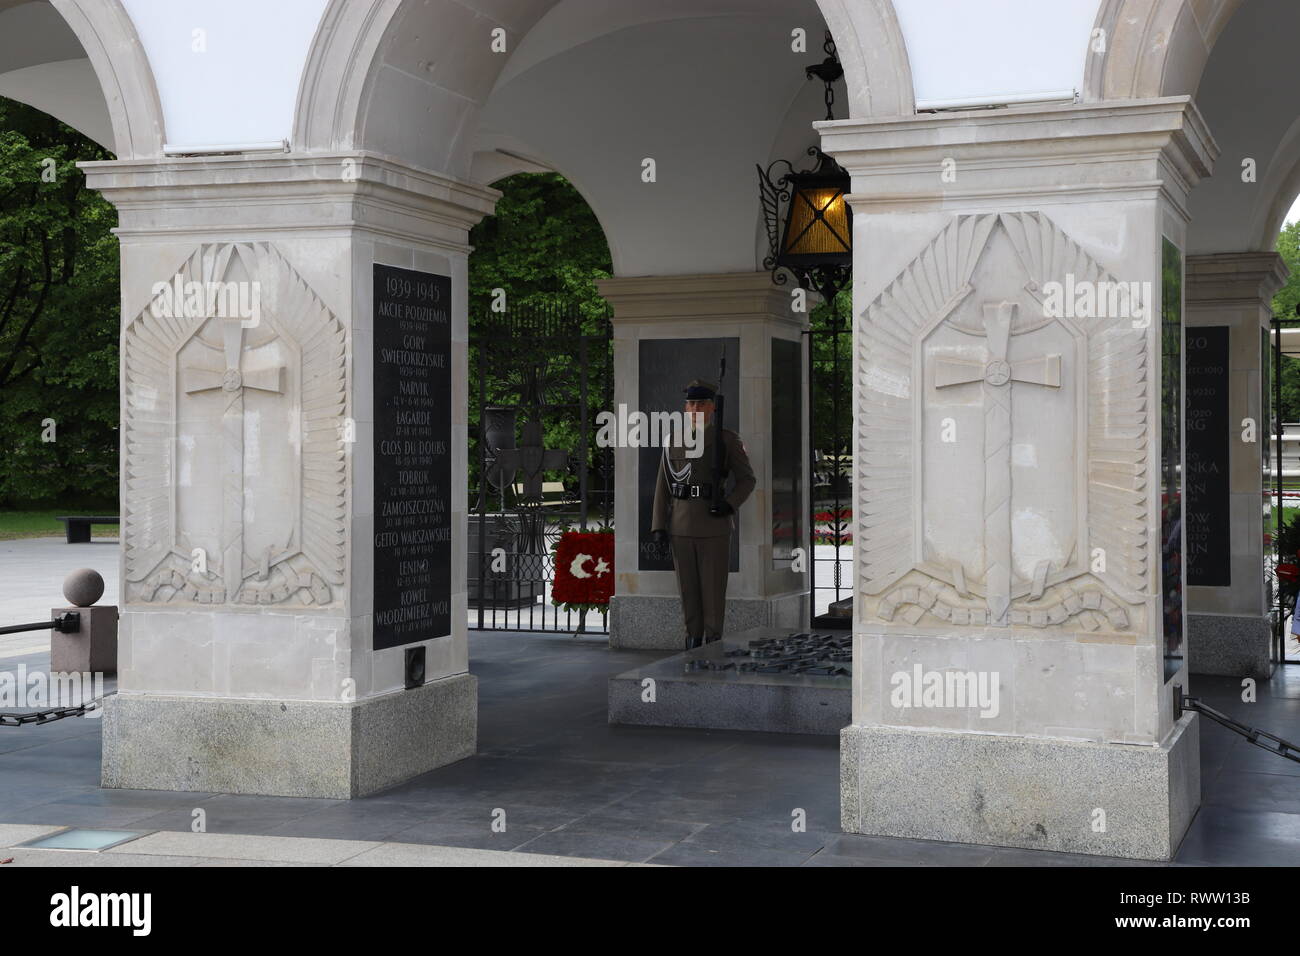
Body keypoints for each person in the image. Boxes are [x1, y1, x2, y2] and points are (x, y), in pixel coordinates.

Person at [651, 379, 755, 649]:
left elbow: (747, 480)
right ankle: (692, 639)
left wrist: (729, 504)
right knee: (688, 589)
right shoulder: (673, 439)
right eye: (691, 403)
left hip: (713, 525)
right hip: (681, 525)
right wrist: (659, 525)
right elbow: (663, 484)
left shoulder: (727, 439)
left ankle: (713, 639)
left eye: (701, 404)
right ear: (686, 408)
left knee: (712, 589)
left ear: (712, 408)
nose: (695, 408)